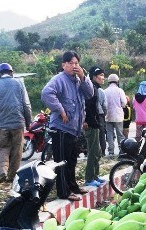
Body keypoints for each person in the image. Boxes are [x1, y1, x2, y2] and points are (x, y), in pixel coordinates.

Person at [41, 50, 94, 201]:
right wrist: (60, 110)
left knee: (72, 160)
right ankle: (63, 192)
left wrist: (84, 77)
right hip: (61, 129)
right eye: (70, 63)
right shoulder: (59, 79)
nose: (74, 66)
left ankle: (73, 186)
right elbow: (46, 93)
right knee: (62, 162)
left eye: (76, 63)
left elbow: (90, 94)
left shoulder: (78, 80)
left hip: (74, 129)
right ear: (63, 65)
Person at [0, 62, 32, 184]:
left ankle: (2, 172)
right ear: (11, 73)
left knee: (2, 149)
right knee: (17, 150)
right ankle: (11, 177)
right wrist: (28, 122)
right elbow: (26, 105)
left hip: (2, 125)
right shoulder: (19, 84)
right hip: (18, 124)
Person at [83, 66, 105, 187]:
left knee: (98, 151)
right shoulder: (90, 88)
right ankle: (89, 178)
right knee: (92, 152)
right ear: (94, 77)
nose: (103, 78)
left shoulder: (95, 88)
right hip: (90, 124)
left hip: (95, 123)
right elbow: (85, 106)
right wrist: (85, 120)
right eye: (100, 75)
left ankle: (95, 175)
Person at [104, 73, 127, 156]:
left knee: (109, 134)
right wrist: (120, 106)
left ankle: (111, 151)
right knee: (120, 134)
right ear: (117, 81)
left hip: (108, 116)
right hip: (118, 116)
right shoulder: (120, 91)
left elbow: (104, 104)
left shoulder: (105, 91)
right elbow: (124, 102)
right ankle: (121, 150)